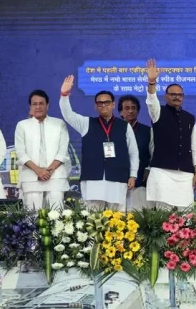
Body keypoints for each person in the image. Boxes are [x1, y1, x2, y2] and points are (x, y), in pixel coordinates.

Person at [59, 78, 137, 211]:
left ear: (113, 104)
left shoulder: (124, 126)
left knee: (116, 218)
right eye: (100, 103)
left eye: (107, 102)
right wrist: (64, 96)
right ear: (95, 106)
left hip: (117, 177)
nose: (103, 105)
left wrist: (133, 175)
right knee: (92, 220)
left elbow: (133, 152)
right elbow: (68, 115)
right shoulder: (86, 123)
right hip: (92, 179)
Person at [144, 59, 196, 209]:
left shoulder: (190, 117)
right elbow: (151, 101)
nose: (177, 97)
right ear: (165, 96)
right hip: (162, 172)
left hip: (185, 174)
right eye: (173, 94)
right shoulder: (158, 112)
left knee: (187, 217)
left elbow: (194, 147)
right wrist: (151, 82)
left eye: (180, 95)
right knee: (164, 217)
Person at [14, 90, 70, 209]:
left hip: (55, 176)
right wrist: (38, 171)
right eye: (35, 104)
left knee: (57, 217)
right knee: (31, 218)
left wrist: (48, 171)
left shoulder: (59, 124)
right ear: (30, 106)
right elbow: (20, 153)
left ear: (47, 105)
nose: (38, 107)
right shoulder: (22, 125)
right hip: (31, 177)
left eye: (41, 103)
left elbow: (63, 151)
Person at [118, 94, 151, 211]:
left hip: (140, 184)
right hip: (118, 183)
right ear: (120, 112)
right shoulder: (114, 130)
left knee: (140, 220)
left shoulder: (148, 131)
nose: (131, 111)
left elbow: (153, 155)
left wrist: (148, 170)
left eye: (134, 108)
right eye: (127, 108)